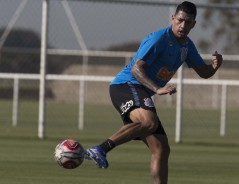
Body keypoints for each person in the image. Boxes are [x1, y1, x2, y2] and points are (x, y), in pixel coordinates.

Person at [85, 1, 222, 184]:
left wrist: (214, 67)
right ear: (173, 19)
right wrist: (157, 88)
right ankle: (101, 149)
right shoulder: (158, 39)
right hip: (126, 85)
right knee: (149, 123)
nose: (183, 26)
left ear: (193, 24)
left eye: (188, 22)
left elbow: (204, 73)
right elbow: (136, 69)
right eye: (180, 20)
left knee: (161, 148)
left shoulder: (187, 46)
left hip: (140, 90)